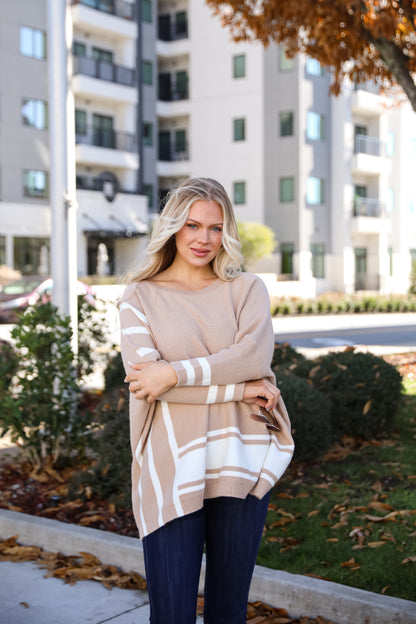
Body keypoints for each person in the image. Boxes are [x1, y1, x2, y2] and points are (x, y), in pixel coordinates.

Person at [119, 177, 294, 624]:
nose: (204, 239)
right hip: (171, 465)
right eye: (192, 225)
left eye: (215, 228)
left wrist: (174, 372)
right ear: (172, 228)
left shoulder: (246, 289)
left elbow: (251, 356)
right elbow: (148, 385)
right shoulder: (140, 296)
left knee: (228, 611)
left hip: (241, 456)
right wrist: (239, 389)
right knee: (172, 614)